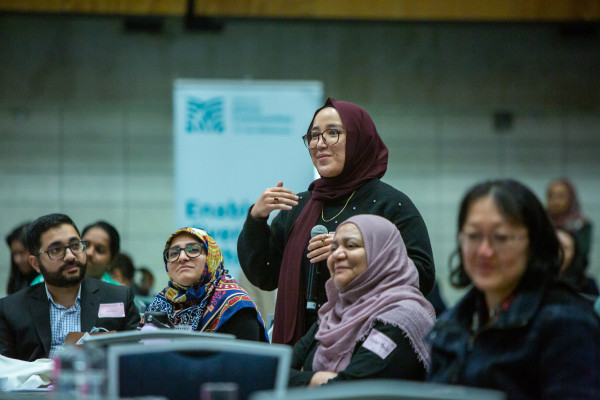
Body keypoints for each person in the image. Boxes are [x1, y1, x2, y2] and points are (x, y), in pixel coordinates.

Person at [238, 98, 435, 345]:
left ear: (359, 138)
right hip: (301, 346)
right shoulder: (298, 206)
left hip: (367, 343)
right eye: (313, 136)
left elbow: (423, 276)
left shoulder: (391, 204)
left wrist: (357, 252)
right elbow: (264, 275)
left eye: (332, 133)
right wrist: (257, 219)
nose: (320, 144)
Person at [427, 179, 600, 399]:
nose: (485, 251)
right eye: (473, 236)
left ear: (533, 243)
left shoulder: (567, 322)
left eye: (501, 237)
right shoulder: (453, 323)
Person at [289, 215, 435, 387]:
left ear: (382, 254)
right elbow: (276, 370)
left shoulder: (401, 318)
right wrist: (318, 380)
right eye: (334, 248)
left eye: (351, 246)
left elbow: (352, 389)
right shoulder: (334, 313)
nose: (337, 255)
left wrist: (307, 379)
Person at [0, 213, 140, 361]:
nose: (70, 256)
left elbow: (138, 358)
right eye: (55, 250)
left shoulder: (119, 297)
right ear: (36, 264)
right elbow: (6, 370)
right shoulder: (11, 310)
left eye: (75, 245)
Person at [139, 227, 269, 341]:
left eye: (193, 249)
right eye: (174, 253)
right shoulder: (162, 302)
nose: (182, 257)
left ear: (211, 257)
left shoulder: (235, 304)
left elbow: (247, 365)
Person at [31, 220, 121, 286]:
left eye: (100, 250)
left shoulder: (119, 293)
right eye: (86, 245)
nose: (89, 253)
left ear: (112, 260)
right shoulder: (42, 283)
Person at [546, 177, 595, 293]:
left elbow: (581, 259)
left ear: (571, 198)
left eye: (561, 196)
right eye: (551, 196)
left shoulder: (580, 225)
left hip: (574, 284)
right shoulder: (542, 222)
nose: (555, 201)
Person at [5, 222, 37, 294]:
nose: (17, 260)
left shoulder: (45, 282)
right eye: (14, 253)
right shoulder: (18, 280)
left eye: (21, 252)